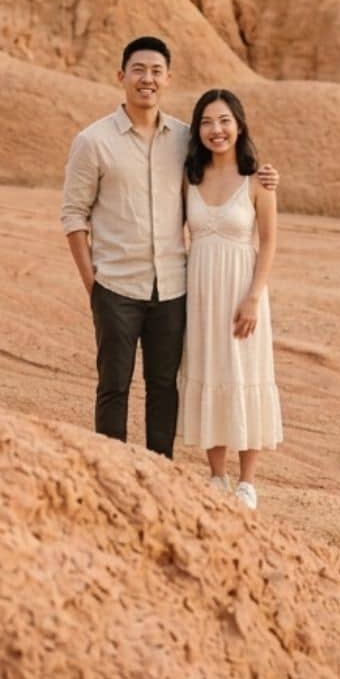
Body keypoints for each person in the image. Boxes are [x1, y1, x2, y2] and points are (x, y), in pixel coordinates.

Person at [61, 37, 277, 458]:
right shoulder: (93, 141)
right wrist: (94, 286)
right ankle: (112, 471)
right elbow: (73, 216)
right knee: (114, 386)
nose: (148, 79)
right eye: (139, 70)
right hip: (116, 286)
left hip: (173, 289)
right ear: (122, 76)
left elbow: (226, 165)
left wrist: (265, 178)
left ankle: (159, 473)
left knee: (165, 387)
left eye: (156, 71)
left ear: (168, 79)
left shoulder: (183, 138)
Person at [178, 89, 283, 510]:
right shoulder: (188, 177)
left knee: (245, 371)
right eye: (206, 122)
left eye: (223, 121)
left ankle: (247, 483)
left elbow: (271, 242)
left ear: (238, 125)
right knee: (209, 366)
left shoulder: (258, 181)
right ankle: (217, 476)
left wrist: (254, 298)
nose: (215, 130)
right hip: (201, 289)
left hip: (242, 287)